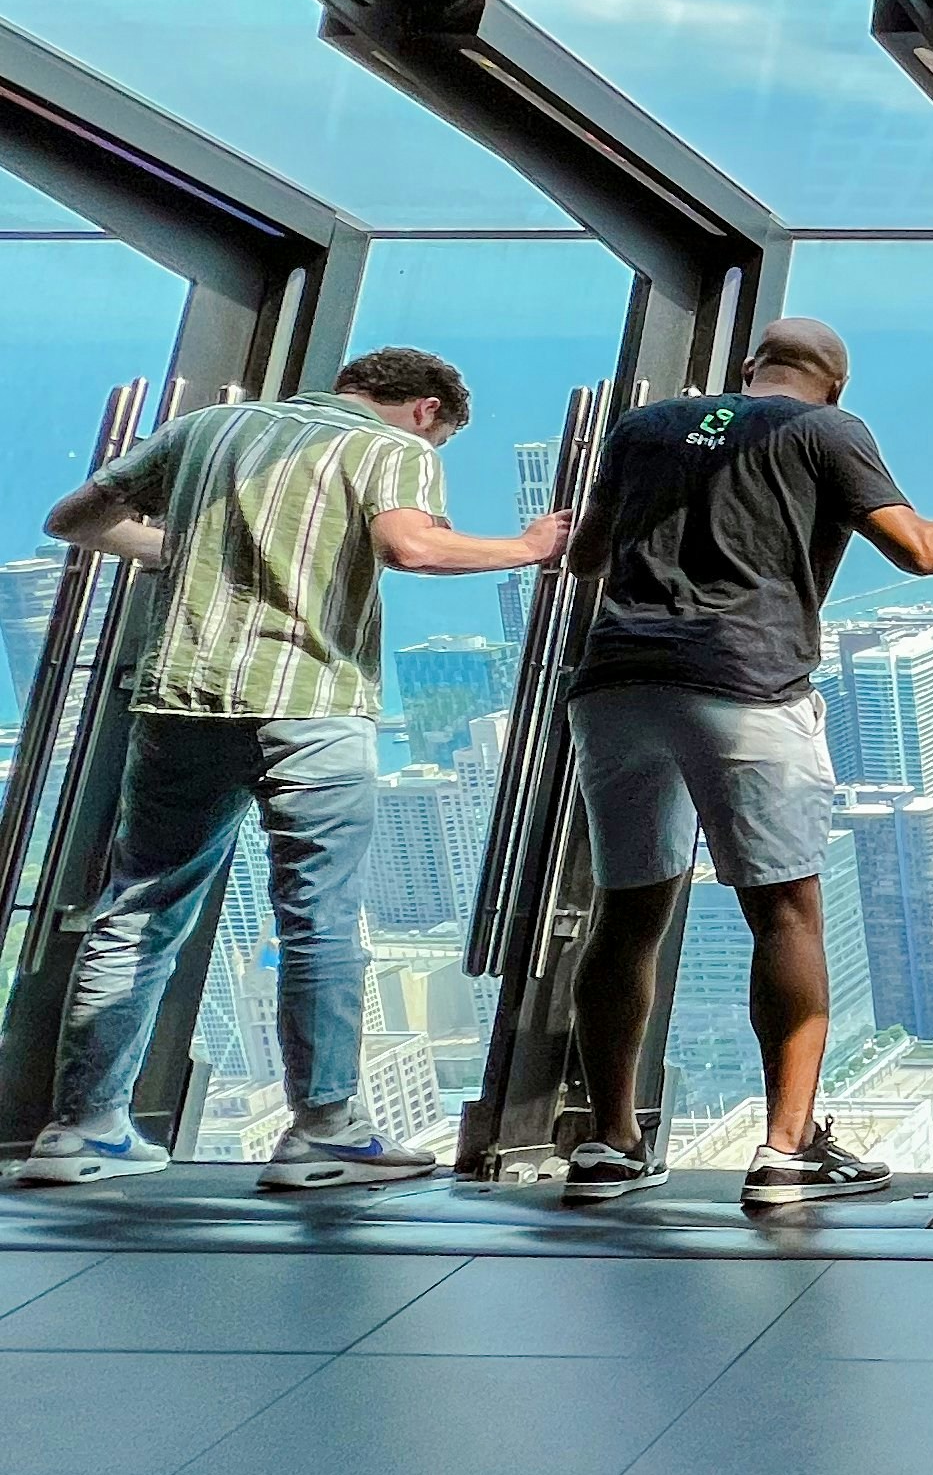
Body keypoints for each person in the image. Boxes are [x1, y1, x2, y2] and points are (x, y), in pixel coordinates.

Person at [15, 348, 570, 1191]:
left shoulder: (209, 428)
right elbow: (411, 548)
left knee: (137, 908)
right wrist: (528, 546)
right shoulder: (395, 450)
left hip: (183, 694)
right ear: (425, 410)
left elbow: (76, 519)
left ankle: (80, 1128)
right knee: (318, 916)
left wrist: (177, 550)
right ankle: (325, 1130)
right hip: (311, 704)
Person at [556, 318, 933, 1210]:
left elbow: (586, 556)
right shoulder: (827, 431)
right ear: (837, 385)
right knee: (786, 912)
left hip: (613, 685)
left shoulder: (645, 425)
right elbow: (922, 551)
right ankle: (787, 1150)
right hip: (746, 685)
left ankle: (609, 1141)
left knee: (626, 915)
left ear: (747, 369)